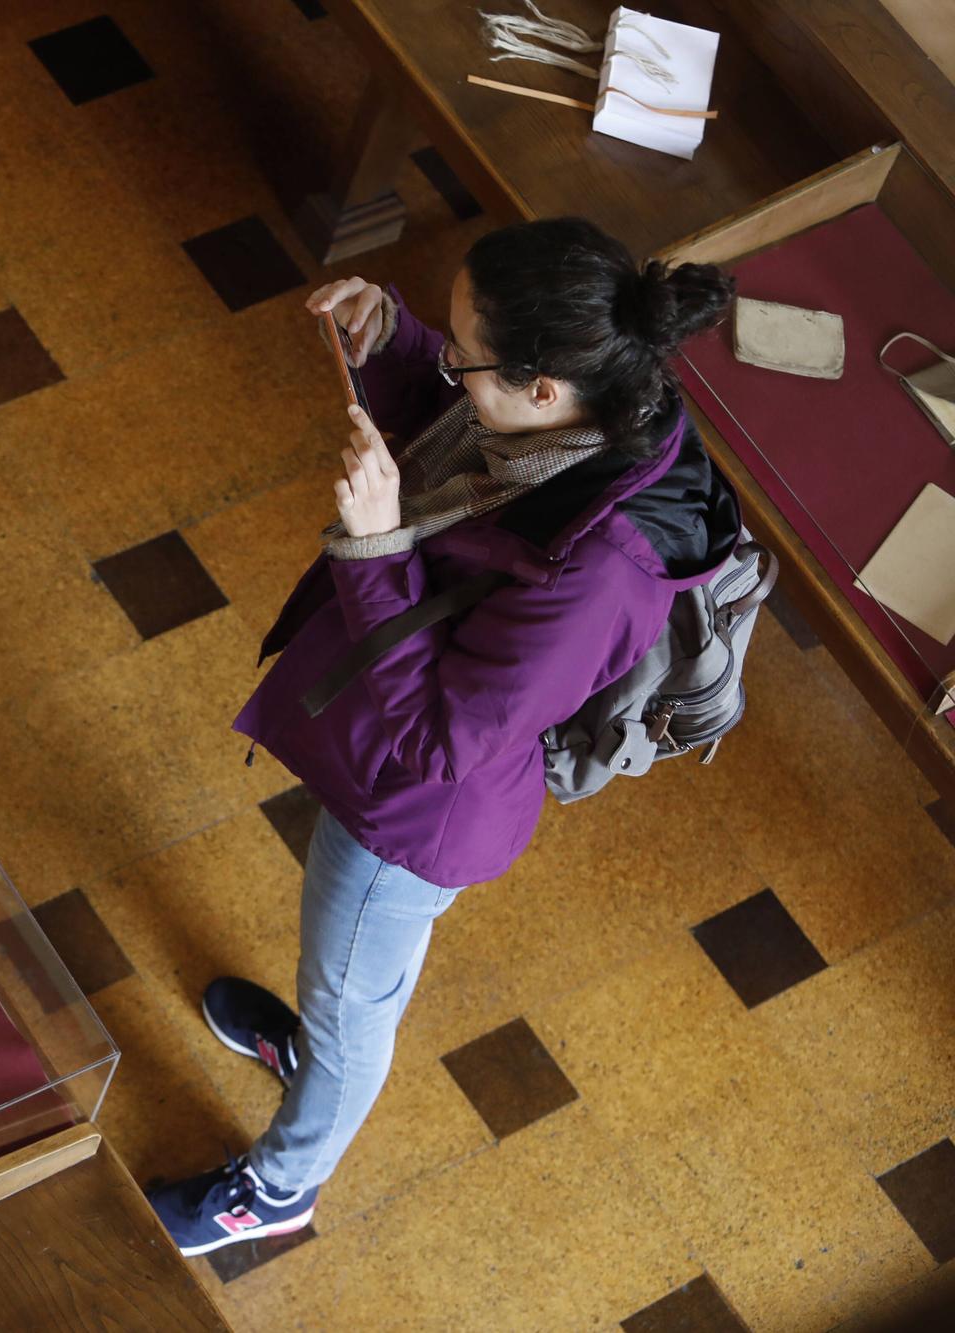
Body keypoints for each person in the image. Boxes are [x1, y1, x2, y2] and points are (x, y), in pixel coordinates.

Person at [145, 218, 740, 1256]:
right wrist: (401, 341)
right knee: (340, 982)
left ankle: (280, 1186)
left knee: (348, 1006)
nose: (448, 355)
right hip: (391, 760)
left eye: (461, 349)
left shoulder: (597, 574)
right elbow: (473, 432)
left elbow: (437, 740)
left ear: (542, 386)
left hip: (414, 818)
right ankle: (309, 1053)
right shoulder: (589, 410)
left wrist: (373, 544)